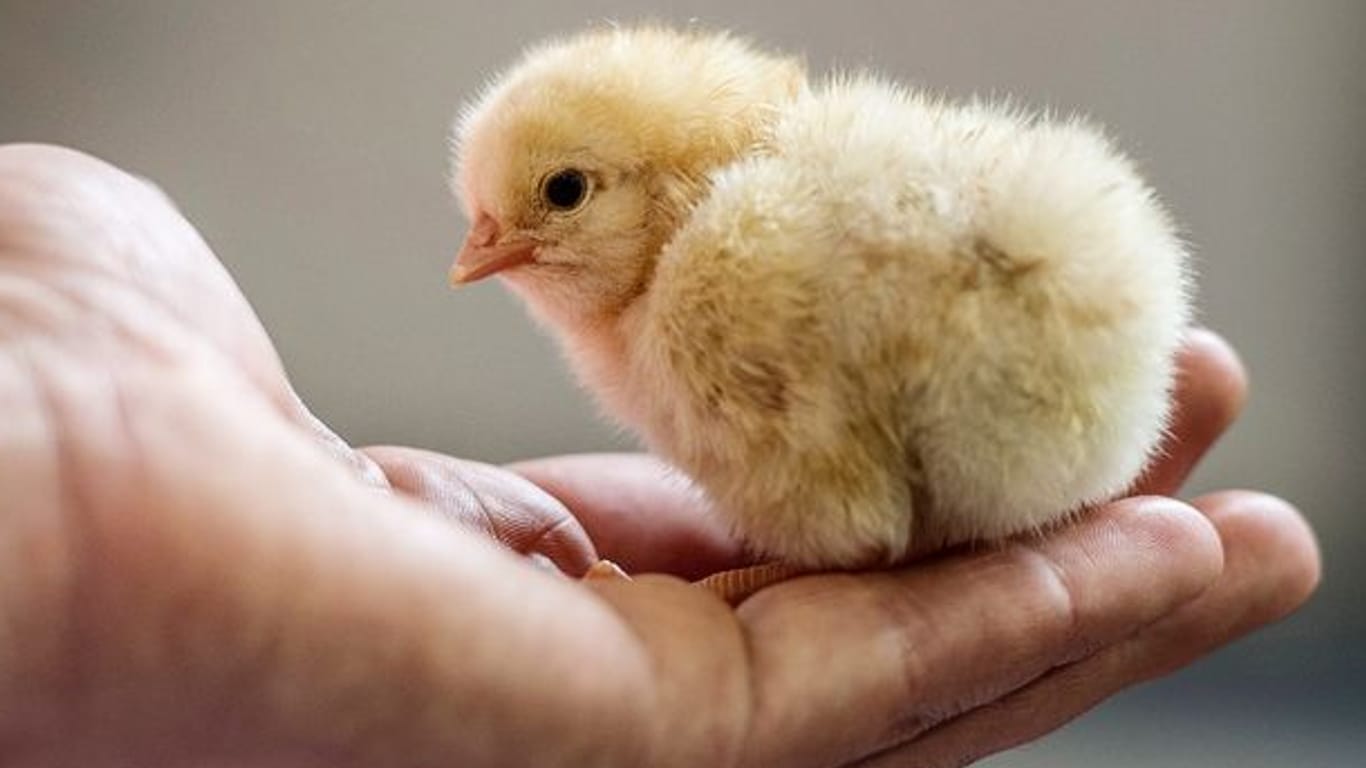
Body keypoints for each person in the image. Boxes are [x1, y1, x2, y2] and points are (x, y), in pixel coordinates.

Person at [0, 144, 1319, 767]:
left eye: (552, 197)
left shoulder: (707, 285)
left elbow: (845, 507)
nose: (486, 249)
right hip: (1068, 425)